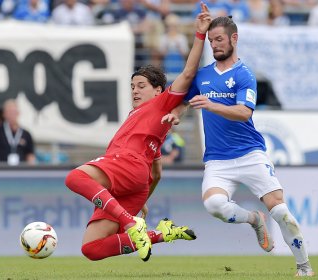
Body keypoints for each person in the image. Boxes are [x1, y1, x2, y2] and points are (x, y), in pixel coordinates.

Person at [166, 16, 314, 276]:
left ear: (234, 38)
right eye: (211, 41)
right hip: (218, 160)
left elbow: (244, 112)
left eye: (219, 39)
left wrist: (211, 105)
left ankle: (304, 266)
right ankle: (254, 219)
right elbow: (185, 102)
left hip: (250, 155)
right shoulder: (203, 76)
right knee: (214, 206)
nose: (215, 45)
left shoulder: (245, 74)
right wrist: (176, 114)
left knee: (281, 212)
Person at [64, 3, 211, 262]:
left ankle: (130, 223)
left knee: (75, 178)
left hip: (125, 166)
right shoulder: (148, 123)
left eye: (141, 85)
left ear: (158, 90)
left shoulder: (161, 103)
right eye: (132, 86)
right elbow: (156, 173)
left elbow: (189, 72)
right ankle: (160, 234)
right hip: (135, 183)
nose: (134, 90)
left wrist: (199, 34)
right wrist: (139, 197)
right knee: (92, 249)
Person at [0, 99, 36, 165]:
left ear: (18, 113)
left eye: (13, 112)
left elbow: (30, 154)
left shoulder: (26, 134)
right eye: (9, 112)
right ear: (4, 114)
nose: (11, 115)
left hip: (20, 170)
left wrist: (30, 168)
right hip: (0, 170)